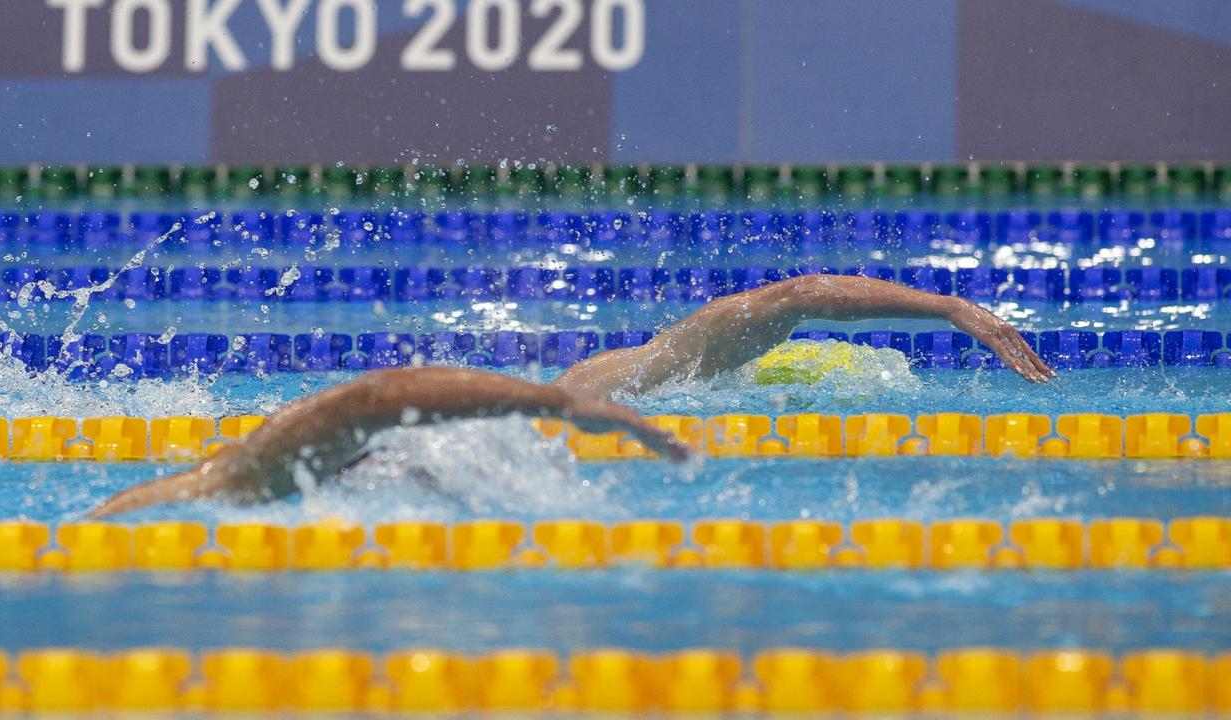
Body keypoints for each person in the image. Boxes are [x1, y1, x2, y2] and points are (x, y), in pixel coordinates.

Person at [89, 274, 1053, 517]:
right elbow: (372, 400)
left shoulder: (606, 386)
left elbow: (787, 302)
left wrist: (950, 308)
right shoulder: (224, 494)